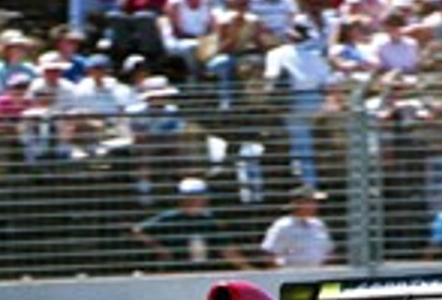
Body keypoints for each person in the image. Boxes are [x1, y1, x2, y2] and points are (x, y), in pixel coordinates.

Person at [264, 16, 335, 187]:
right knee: (307, 140)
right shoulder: (316, 55)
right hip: (316, 99)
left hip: (293, 100)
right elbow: (329, 82)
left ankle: (308, 183)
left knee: (302, 143)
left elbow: (271, 78)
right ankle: (306, 180)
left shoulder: (276, 54)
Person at [130, 177, 249, 271]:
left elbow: (227, 249)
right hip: (176, 272)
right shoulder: (170, 218)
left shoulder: (209, 221)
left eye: (197, 196)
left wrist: (247, 269)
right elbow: (138, 230)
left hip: (203, 271)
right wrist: (159, 249)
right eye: (189, 196)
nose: (193, 200)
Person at [259, 185, 335, 267]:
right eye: (311, 202)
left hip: (318, 275)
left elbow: (329, 251)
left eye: (315, 202)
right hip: (293, 277)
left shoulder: (318, 224)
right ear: (298, 203)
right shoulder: (283, 226)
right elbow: (269, 254)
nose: (316, 206)